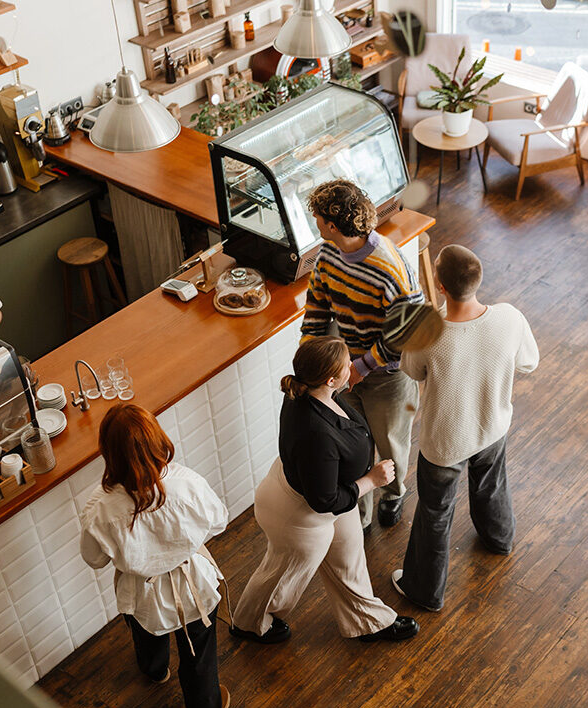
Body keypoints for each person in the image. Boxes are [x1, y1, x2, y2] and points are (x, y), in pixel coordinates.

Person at [230, 337, 419, 645]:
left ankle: (367, 621)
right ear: (330, 379)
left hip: (328, 492)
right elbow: (324, 501)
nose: (352, 365)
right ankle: (248, 623)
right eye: (347, 363)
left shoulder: (311, 390)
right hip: (299, 515)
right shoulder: (315, 432)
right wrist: (372, 481)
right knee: (282, 575)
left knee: (349, 555)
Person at [393, 245, 539, 611]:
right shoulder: (509, 317)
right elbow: (528, 364)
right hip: (492, 427)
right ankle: (499, 539)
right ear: (479, 278)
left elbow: (412, 372)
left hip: (445, 442)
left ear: (440, 286)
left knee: (435, 514)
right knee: (491, 486)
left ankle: (425, 591)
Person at [80, 404, 231, 708]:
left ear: (108, 451)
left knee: (146, 631)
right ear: (157, 439)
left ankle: (154, 669)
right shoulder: (186, 482)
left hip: (142, 591)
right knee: (199, 656)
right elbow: (219, 520)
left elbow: (93, 559)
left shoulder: (100, 505)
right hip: (193, 584)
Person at [300, 180, 425, 531]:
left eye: (317, 217)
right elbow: (316, 307)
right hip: (345, 370)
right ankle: (361, 514)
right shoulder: (326, 256)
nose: (314, 221)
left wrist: (363, 366)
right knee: (354, 447)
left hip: (387, 376)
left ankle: (394, 494)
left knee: (390, 443)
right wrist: (310, 353)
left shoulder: (390, 268)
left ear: (332, 225)